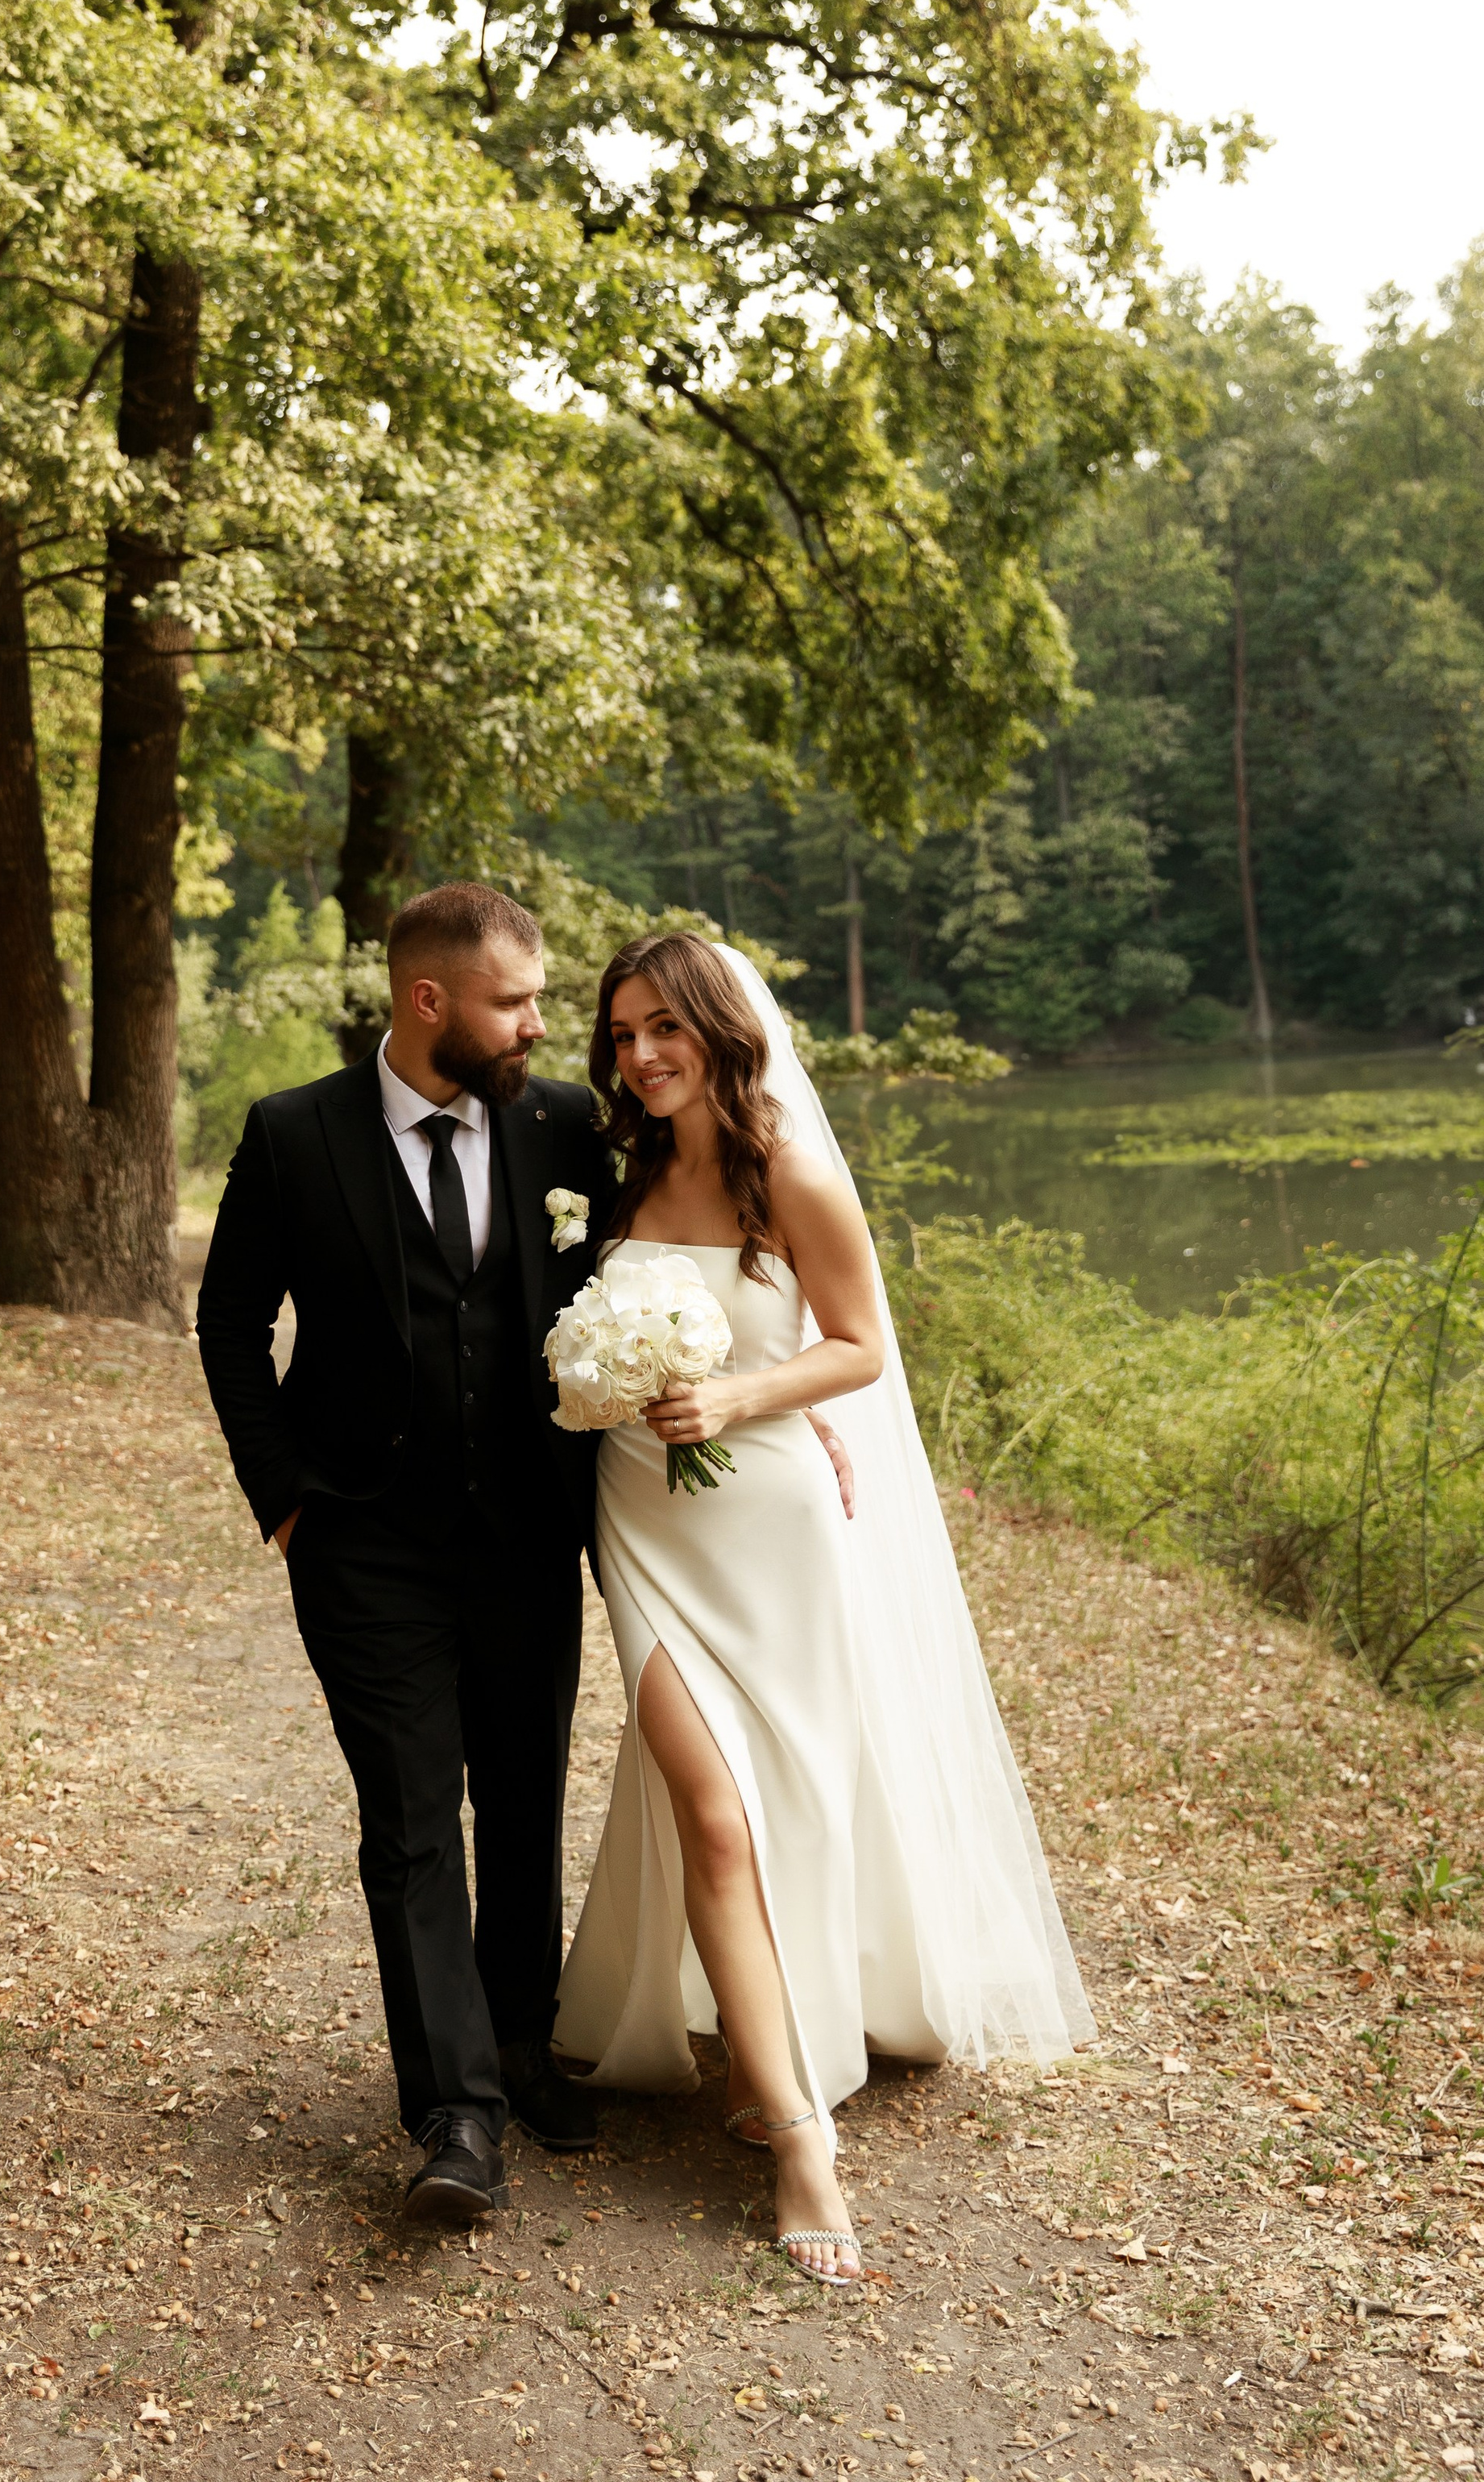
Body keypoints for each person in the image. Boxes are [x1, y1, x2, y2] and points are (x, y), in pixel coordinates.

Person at [553, 932, 1092, 2284]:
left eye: (663, 1029)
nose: (640, 1057)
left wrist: (739, 1394)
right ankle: (800, 2138)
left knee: (788, 1794)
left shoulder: (787, 1169)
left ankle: (779, 2034)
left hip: (772, 1522)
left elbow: (858, 1346)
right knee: (715, 1812)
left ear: (722, 1028)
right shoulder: (622, 1170)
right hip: (644, 1525)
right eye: (621, 1035)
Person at [197, 881, 616, 2223]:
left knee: (528, 1801)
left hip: (527, 1540)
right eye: (515, 1002)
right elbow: (229, 1328)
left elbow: (664, 1261)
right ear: (429, 1000)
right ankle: (456, 2112)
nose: (538, 1025)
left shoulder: (562, 1125)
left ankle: (523, 2046)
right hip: (365, 1548)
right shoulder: (295, 1135)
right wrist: (287, 1501)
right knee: (413, 1821)